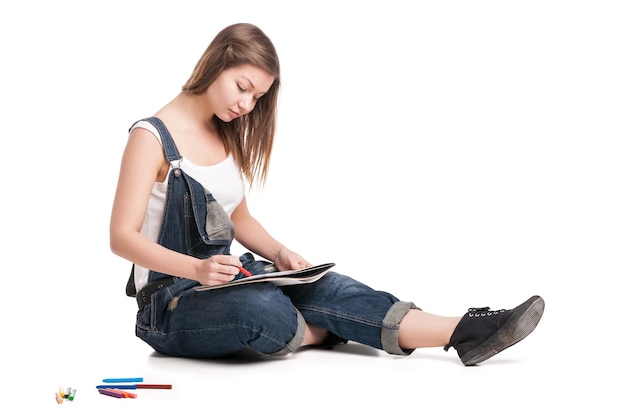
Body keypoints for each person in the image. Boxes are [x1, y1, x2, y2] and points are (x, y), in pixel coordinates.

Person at [109, 22, 544, 366]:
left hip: (227, 279)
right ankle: (330, 328)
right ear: (216, 62)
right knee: (262, 310)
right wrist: (197, 269)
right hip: (171, 305)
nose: (247, 106)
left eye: (257, 97)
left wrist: (280, 255)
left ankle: (464, 331)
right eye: (242, 87)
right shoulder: (150, 138)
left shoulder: (224, 135)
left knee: (327, 284)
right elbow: (121, 237)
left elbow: (238, 219)